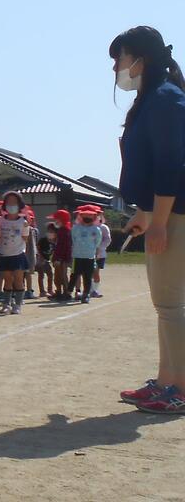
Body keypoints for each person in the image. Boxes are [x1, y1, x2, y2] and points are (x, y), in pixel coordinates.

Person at [109, 26, 185, 413]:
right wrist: (144, 214)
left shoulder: (166, 99)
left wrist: (160, 222)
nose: (117, 67)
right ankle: (167, 381)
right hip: (164, 213)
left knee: (172, 305)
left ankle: (181, 389)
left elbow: (172, 165)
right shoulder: (152, 99)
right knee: (166, 305)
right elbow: (151, 167)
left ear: (142, 58)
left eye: (120, 58)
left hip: (177, 216)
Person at [0, 191, 30, 314]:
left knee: (18, 280)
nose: (11, 205)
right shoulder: (0, 220)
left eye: (14, 203)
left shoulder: (23, 222)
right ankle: (6, 304)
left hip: (18, 254)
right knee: (7, 279)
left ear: (20, 205)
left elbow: (25, 238)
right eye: (9, 203)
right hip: (4, 254)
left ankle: (18, 304)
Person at [67, 206, 102, 304]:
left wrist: (92, 249)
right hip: (77, 256)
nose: (87, 217)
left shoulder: (96, 230)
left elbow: (97, 242)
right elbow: (73, 239)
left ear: (94, 217)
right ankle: (68, 292)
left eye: (90, 215)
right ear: (81, 215)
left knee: (87, 276)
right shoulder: (76, 228)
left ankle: (86, 295)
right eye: (85, 215)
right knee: (74, 275)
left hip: (89, 256)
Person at [48, 209, 73, 301]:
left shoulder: (65, 231)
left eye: (57, 219)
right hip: (58, 257)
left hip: (62, 258)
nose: (55, 221)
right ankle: (58, 291)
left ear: (62, 220)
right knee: (57, 276)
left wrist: (59, 258)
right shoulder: (60, 230)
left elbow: (64, 246)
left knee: (62, 275)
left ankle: (66, 293)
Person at [92, 206, 112, 298]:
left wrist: (99, 248)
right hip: (88, 252)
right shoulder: (88, 227)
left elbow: (107, 240)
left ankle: (94, 290)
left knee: (96, 272)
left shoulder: (103, 227)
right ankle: (89, 289)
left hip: (100, 254)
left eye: (97, 214)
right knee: (88, 272)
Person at [36, 223, 57, 298]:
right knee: (41, 275)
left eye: (52, 232)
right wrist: (40, 257)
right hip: (40, 259)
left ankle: (49, 290)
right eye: (49, 231)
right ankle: (42, 291)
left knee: (50, 274)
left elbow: (53, 252)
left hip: (47, 260)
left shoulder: (54, 242)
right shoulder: (43, 240)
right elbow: (38, 247)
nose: (50, 233)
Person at [23, 208, 39, 299]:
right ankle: (21, 291)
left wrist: (34, 256)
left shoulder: (33, 230)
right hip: (21, 253)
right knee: (20, 274)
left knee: (28, 273)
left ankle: (29, 290)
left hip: (29, 255)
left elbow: (34, 245)